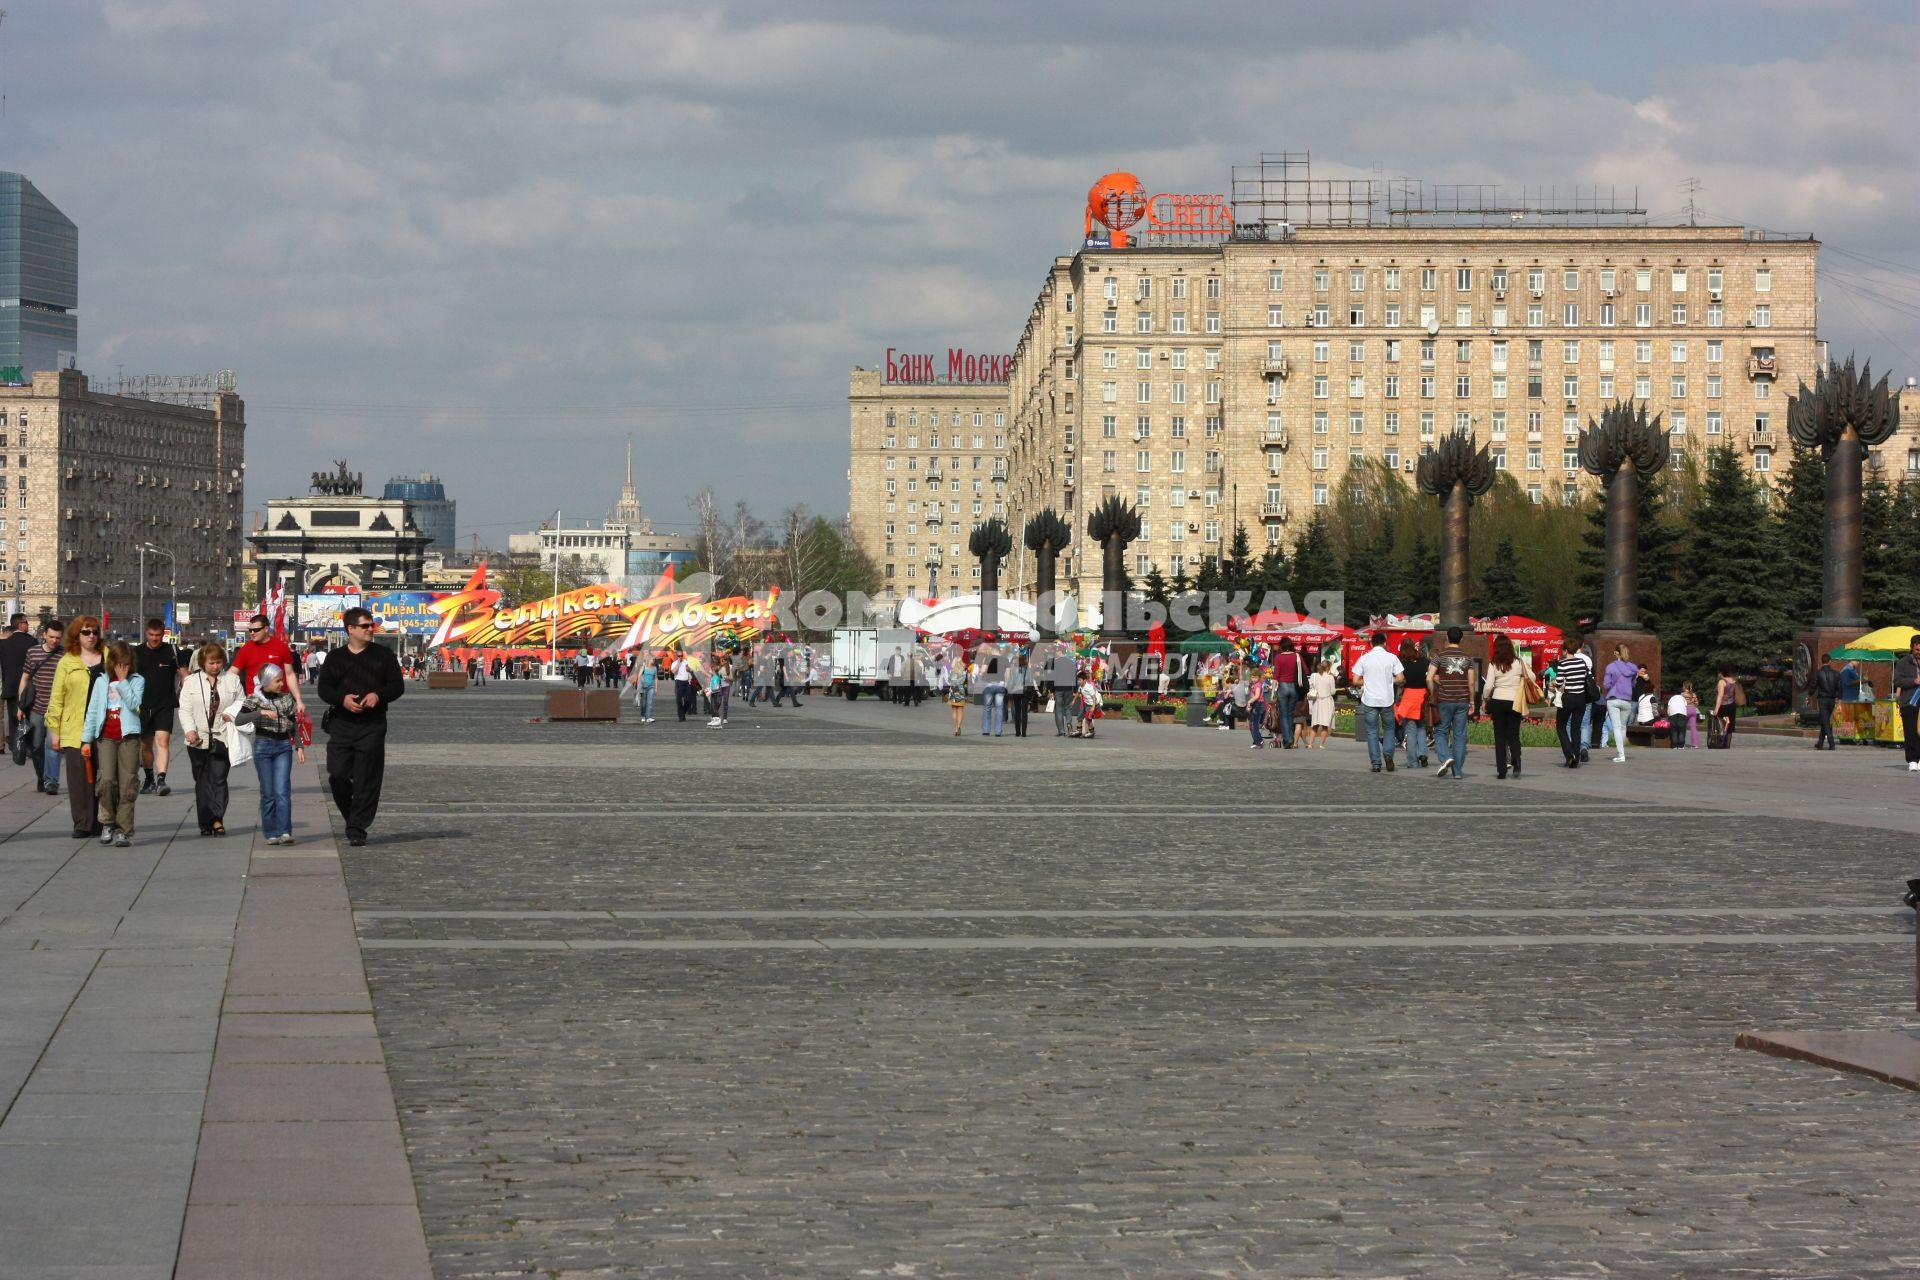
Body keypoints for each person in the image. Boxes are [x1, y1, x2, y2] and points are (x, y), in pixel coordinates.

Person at [316, 606, 405, 847]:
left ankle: (357, 828)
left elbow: (397, 686)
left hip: (372, 724)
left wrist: (379, 694)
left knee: (367, 778)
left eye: (371, 625)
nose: (370, 629)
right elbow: (324, 689)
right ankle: (352, 816)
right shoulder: (335, 657)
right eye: (365, 626)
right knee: (337, 775)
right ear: (351, 629)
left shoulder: (383, 655)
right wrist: (341, 699)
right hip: (342, 724)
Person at [45, 615, 107, 838]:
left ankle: (101, 820)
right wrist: (54, 731)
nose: (91, 636)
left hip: (105, 727)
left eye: (95, 632)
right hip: (74, 728)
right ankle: (82, 822)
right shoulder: (67, 661)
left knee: (105, 776)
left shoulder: (108, 657)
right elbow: (57, 697)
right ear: (76, 635)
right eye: (86, 632)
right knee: (78, 778)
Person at [82, 640, 144, 847]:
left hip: (128, 737)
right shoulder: (101, 682)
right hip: (106, 736)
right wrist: (86, 740)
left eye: (126, 664)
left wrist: (123, 681)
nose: (122, 668)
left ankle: (123, 830)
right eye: (118, 663)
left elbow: (134, 704)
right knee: (106, 780)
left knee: (128, 784)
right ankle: (107, 821)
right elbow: (92, 711)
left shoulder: (137, 680)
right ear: (111, 662)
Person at [180, 641, 244, 837]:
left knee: (219, 779)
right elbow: (185, 709)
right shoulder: (191, 681)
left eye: (218, 662)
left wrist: (232, 713)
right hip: (197, 738)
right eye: (211, 663)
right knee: (202, 781)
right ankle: (205, 822)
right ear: (202, 663)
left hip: (222, 736)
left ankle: (217, 819)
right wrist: (190, 731)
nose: (215, 666)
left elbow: (242, 702)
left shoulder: (232, 680)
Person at [247, 663, 305, 845]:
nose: (282, 684)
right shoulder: (254, 699)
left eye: (282, 680)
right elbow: (239, 718)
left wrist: (299, 746)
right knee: (268, 792)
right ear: (266, 681)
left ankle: (285, 831)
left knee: (282, 790)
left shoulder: (286, 698)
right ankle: (271, 832)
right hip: (263, 746)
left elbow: (293, 722)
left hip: (283, 746)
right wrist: (260, 712)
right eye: (278, 680)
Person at [134, 619, 180, 796]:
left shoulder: (171, 651)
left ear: (163, 634)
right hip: (142, 706)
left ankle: (161, 779)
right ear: (146, 633)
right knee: (145, 745)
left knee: (162, 741)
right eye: (151, 635)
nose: (154, 639)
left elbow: (183, 674)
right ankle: (149, 778)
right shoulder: (137, 652)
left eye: (158, 635)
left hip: (165, 704)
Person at [1482, 635, 1538, 780]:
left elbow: (1488, 686)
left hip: (1499, 700)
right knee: (1514, 734)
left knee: (1499, 736)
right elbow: (1531, 677)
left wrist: (1485, 698)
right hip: (1515, 701)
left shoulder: (1494, 664)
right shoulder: (1519, 662)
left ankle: (1501, 770)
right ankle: (1517, 762)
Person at [18, 619, 64, 794]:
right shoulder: (33, 652)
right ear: (44, 635)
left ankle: (51, 781)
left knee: (54, 746)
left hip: (56, 711)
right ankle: (41, 776)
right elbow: (25, 678)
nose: (54, 641)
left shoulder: (64, 655)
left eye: (58, 638)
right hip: (36, 708)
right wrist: (21, 706)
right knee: (36, 746)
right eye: (51, 637)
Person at [1427, 627, 1477, 779]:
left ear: (1447, 638)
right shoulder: (1468, 658)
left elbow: (1429, 677)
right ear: (1461, 639)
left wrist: (1432, 693)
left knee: (1441, 731)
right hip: (1462, 701)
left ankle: (1445, 757)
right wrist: (1472, 701)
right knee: (1460, 735)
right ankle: (1458, 771)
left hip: (1444, 699)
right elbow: (1471, 682)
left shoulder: (1439, 656)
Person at [1351, 632, 1404, 773]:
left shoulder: (1364, 659)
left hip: (1369, 700)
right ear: (1385, 643)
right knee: (1389, 729)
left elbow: (1355, 681)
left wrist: (1367, 681)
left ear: (1371, 643)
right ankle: (1388, 754)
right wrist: (1388, 680)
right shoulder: (1392, 658)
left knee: (1372, 732)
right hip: (1387, 699)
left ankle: (1376, 763)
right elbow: (1400, 678)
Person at [232, 615, 300, 701]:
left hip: (280, 701)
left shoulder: (281, 647)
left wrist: (299, 700)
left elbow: (289, 674)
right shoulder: (246, 649)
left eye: (256, 630)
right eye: (250, 630)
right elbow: (232, 674)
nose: (252, 633)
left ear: (266, 629)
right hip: (255, 703)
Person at [1553, 640, 1594, 768]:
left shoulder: (1563, 664)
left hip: (1568, 698)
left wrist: (1555, 684)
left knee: (1561, 726)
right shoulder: (1582, 663)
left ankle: (1569, 754)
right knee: (1576, 728)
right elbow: (1587, 677)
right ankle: (1576, 758)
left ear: (1565, 650)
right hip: (1581, 699)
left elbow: (1559, 683)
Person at [0, 612, 32, 755]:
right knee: (28, 715)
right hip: (28, 687)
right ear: (20, 624)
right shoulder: (32, 642)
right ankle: (28, 745)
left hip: (11, 685)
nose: (28, 625)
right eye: (26, 622)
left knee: (13, 717)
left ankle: (15, 746)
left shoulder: (5, 643)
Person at [1601, 644, 1638, 764]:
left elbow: (1606, 685)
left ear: (1616, 653)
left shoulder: (1611, 667)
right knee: (1623, 727)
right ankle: (1621, 753)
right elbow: (1633, 684)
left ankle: (1621, 754)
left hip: (1613, 698)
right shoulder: (1633, 668)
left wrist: (1612, 686)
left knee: (1616, 727)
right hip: (1627, 700)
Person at [1396, 639, 1430, 770]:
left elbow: (1400, 682)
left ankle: (1413, 761)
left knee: (1410, 731)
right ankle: (1423, 753)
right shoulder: (1424, 661)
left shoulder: (1402, 663)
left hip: (1409, 697)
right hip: (1422, 696)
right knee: (1421, 728)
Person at [1271, 638, 1302, 749]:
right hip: (1293, 687)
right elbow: (1305, 671)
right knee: (1290, 714)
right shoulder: (1297, 656)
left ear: (1282, 646)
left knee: (1284, 715)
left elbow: (1276, 675)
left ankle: (1288, 739)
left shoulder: (1278, 657)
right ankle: (1291, 738)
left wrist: (1273, 692)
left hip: (1282, 687)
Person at [1894, 637, 1920, 772]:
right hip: (1909, 702)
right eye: (1917, 650)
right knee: (1911, 731)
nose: (1919, 652)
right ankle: (1913, 760)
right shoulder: (1903, 663)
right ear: (1911, 647)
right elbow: (1897, 681)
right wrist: (1915, 681)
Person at [1812, 654, 1842, 751]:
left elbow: (1814, 685)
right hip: (1832, 700)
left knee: (1825, 722)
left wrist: (1809, 694)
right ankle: (1820, 743)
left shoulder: (1818, 673)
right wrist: (1839, 698)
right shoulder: (1836, 673)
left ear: (1822, 661)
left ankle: (1831, 743)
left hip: (1822, 700)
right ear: (1830, 661)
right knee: (1824, 721)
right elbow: (1839, 688)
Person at [1306, 658, 1336, 749]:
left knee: (1315, 724)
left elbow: (1310, 686)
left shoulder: (1314, 676)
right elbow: (1333, 691)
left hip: (1317, 702)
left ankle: (1310, 744)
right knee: (1325, 725)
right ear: (1328, 668)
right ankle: (1322, 744)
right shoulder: (1330, 677)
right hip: (1327, 701)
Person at [1711, 666, 1739, 748]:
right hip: (1732, 705)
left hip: (1723, 706)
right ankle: (1727, 745)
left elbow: (1720, 696)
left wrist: (1716, 709)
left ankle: (1720, 742)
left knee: (1719, 723)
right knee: (1730, 726)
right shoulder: (1734, 681)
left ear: (1722, 673)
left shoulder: (1722, 682)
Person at [628, 657, 658, 723]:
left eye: (654, 659)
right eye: (652, 659)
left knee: (649, 703)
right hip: (643, 687)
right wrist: (639, 687)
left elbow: (655, 678)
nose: (653, 660)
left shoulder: (655, 668)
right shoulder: (644, 667)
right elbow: (639, 677)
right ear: (648, 660)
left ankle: (648, 717)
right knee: (643, 703)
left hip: (651, 687)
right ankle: (643, 716)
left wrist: (656, 688)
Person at [1008, 652, 1030, 738]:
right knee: (1024, 712)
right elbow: (1030, 680)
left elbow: (1011, 681)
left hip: (1016, 691)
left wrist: (1009, 689)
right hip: (1025, 691)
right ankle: (1024, 732)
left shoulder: (1014, 670)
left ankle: (1017, 732)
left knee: (1017, 711)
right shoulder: (1027, 669)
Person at [946, 660, 968, 736]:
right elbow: (966, 682)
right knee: (960, 710)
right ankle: (959, 726)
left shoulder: (952, 672)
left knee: (954, 710)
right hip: (961, 691)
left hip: (953, 691)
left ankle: (956, 727)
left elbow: (949, 680)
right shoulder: (964, 672)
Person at [706, 658, 730, 728]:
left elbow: (716, 688)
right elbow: (712, 686)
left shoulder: (716, 677)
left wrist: (710, 691)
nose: (709, 670)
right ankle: (714, 719)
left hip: (715, 694)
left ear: (713, 670)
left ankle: (718, 719)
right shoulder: (714, 677)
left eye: (710, 669)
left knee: (715, 707)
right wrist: (709, 689)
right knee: (712, 707)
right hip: (713, 694)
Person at [1681, 681, 1702, 748]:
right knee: (1693, 728)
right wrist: (1692, 702)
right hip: (1693, 710)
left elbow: (1681, 703)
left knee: (1683, 727)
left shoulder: (1682, 694)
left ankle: (1681, 743)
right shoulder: (1693, 694)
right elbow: (1697, 703)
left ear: (1684, 687)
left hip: (1685, 710)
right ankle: (1695, 744)